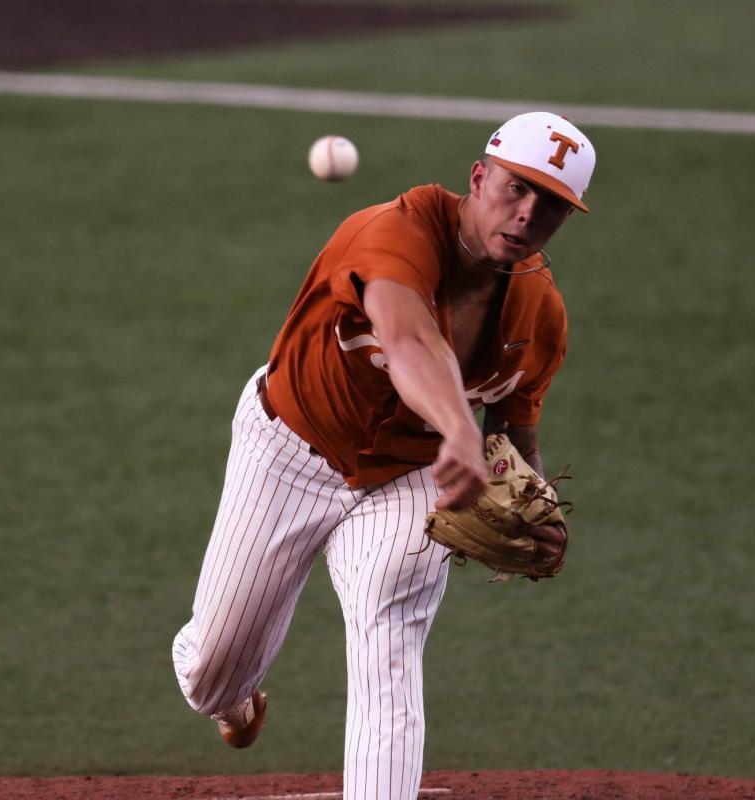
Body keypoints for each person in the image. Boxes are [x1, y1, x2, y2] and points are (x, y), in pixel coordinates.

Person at [172, 111, 596, 800]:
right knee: (211, 671)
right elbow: (405, 338)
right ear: (479, 177)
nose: (526, 215)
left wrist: (535, 502)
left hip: (411, 479)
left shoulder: (540, 316)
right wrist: (459, 427)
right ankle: (235, 698)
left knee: (389, 628)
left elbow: (514, 429)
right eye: (516, 189)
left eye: (551, 206)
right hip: (289, 449)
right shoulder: (393, 230)